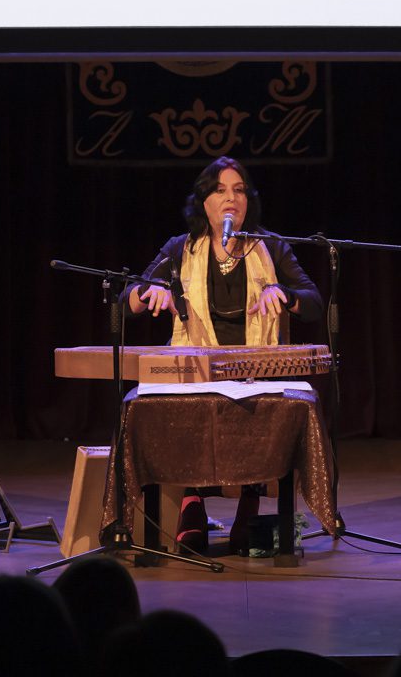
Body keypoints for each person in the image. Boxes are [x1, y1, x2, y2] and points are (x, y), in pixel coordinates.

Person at [125, 156, 323, 553]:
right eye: (220, 190)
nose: (231, 198)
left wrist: (284, 294)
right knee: (172, 408)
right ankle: (192, 502)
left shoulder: (270, 247)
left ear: (248, 201)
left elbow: (314, 303)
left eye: (239, 190)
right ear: (204, 202)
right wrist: (149, 292)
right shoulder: (180, 249)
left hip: (256, 372)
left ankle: (250, 502)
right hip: (196, 372)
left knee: (261, 408)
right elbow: (126, 301)